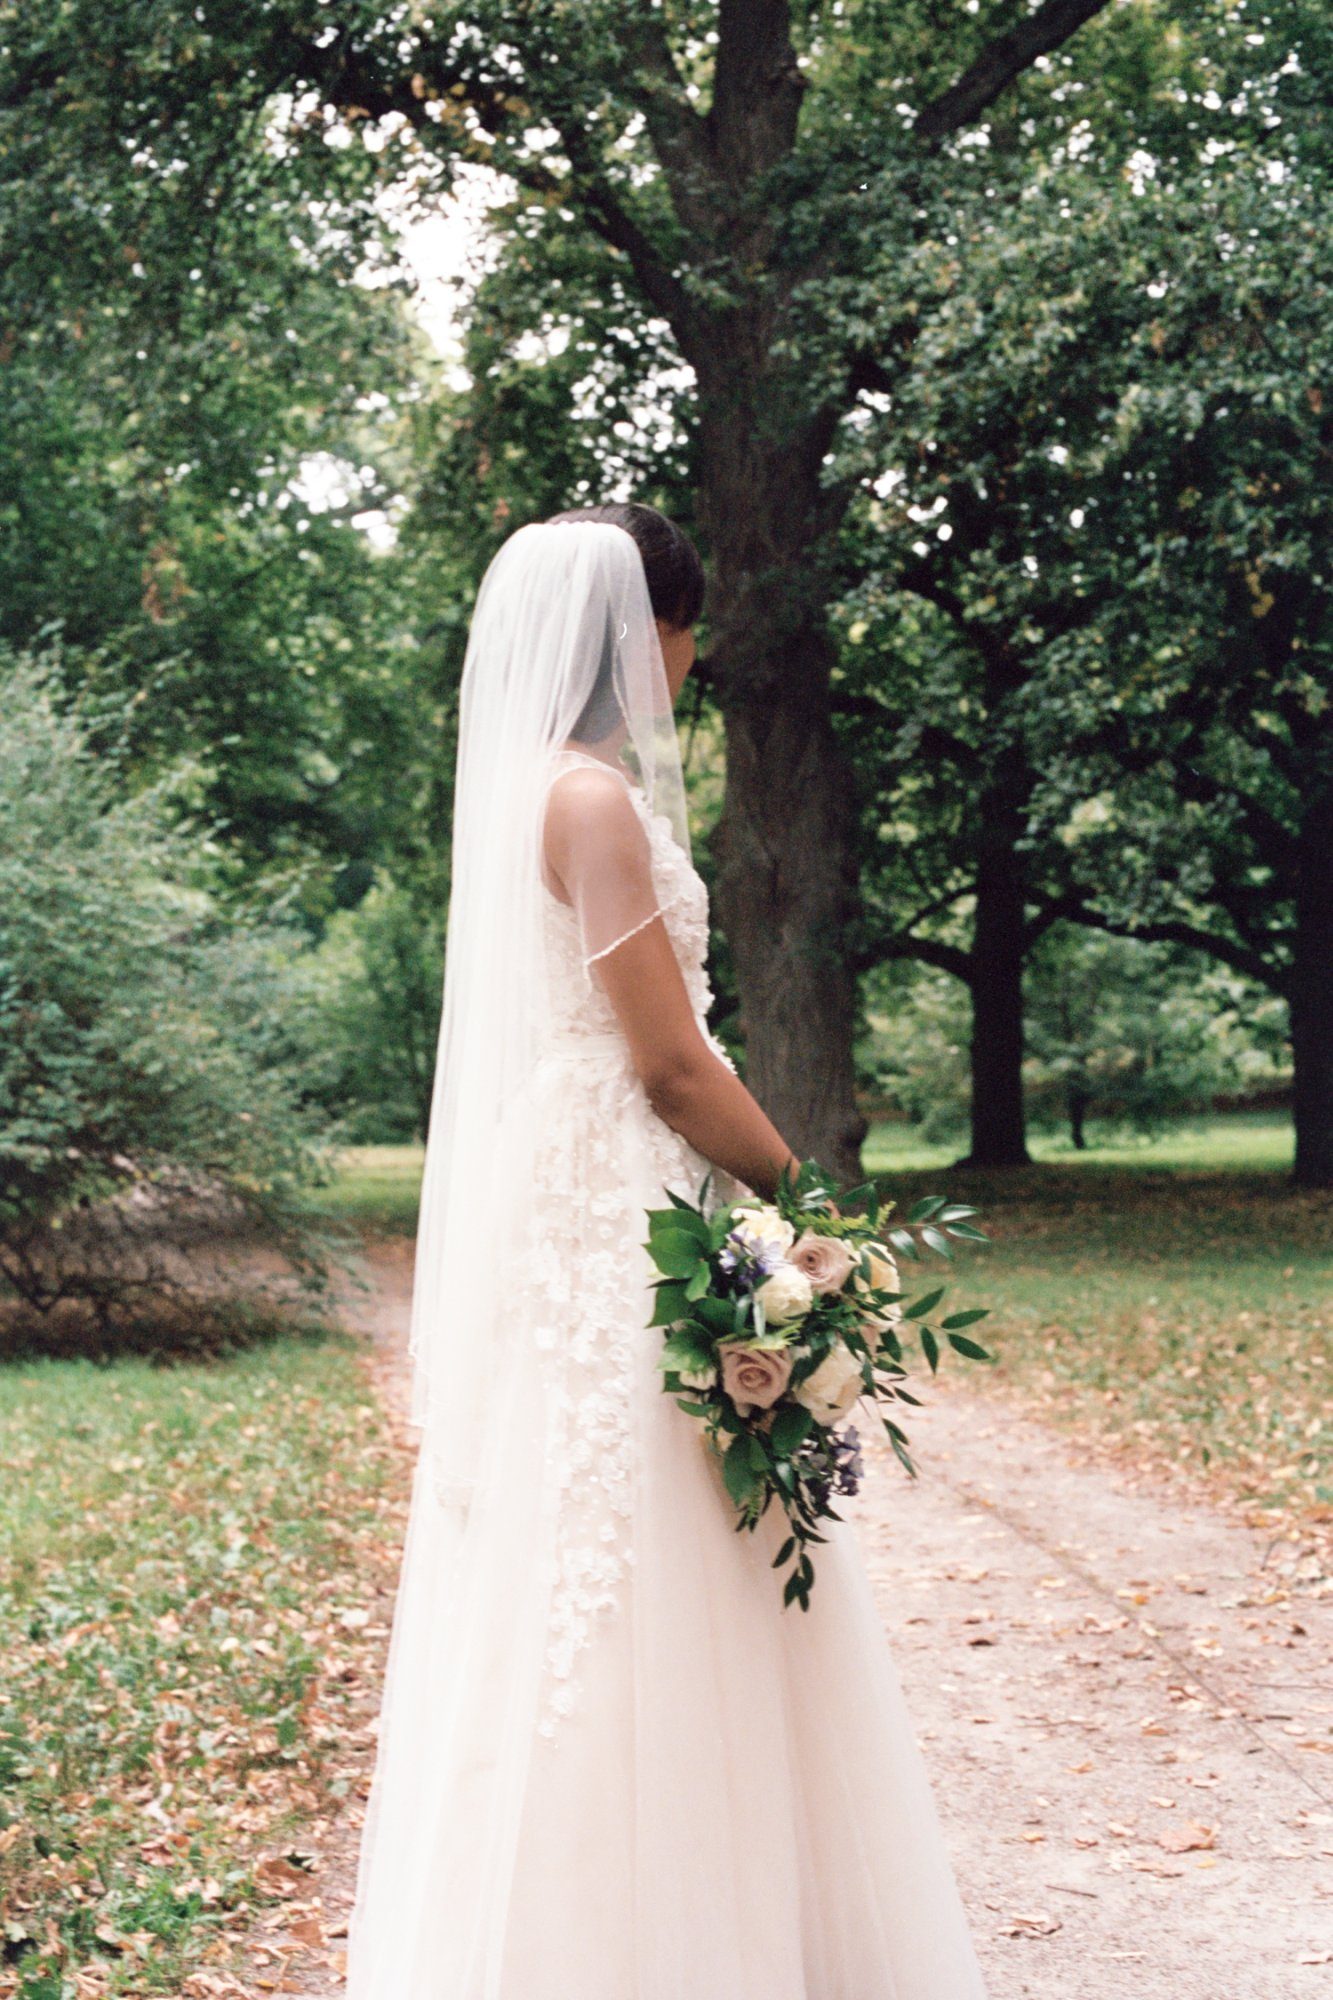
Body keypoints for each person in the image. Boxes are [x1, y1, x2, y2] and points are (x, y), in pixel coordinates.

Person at [344, 504, 988, 1999]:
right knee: (648, 1551)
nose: (687, 669)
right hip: (619, 1219)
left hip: (563, 1206)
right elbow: (672, 1067)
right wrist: (816, 1210)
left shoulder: (518, 794)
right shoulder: (592, 804)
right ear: (649, 638)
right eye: (682, 637)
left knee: (576, 1553)